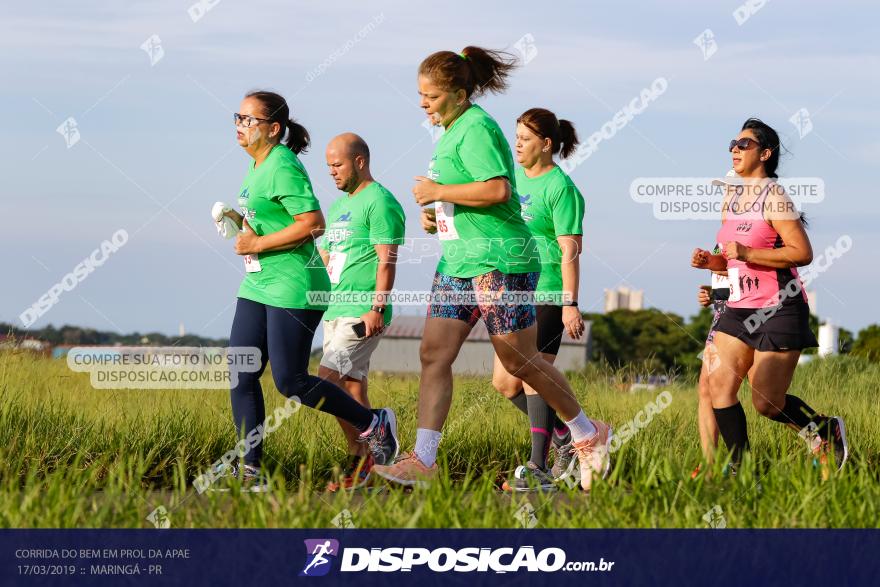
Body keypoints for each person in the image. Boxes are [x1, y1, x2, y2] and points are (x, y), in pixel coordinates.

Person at [372, 47, 612, 492]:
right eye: (421, 95)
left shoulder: (476, 127)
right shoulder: (448, 133)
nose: (423, 103)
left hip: (501, 259)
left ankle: (585, 431)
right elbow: (466, 195)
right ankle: (424, 460)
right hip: (459, 261)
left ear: (460, 95)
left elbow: (499, 189)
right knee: (433, 354)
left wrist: (440, 189)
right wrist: (437, 210)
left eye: (431, 96)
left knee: (518, 362)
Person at [210, 91, 398, 491]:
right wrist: (239, 225)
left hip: (294, 285)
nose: (240, 126)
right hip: (258, 282)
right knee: (241, 371)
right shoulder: (257, 166)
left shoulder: (282, 164)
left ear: (273, 129)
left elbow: (312, 222)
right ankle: (251, 471)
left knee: (291, 381)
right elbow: (273, 220)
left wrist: (257, 244)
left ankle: (372, 423)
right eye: (237, 118)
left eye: (248, 119)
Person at [691, 118, 847, 475]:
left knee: (765, 401)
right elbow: (731, 255)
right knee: (719, 385)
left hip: (779, 305)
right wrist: (710, 261)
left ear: (765, 153)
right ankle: (741, 470)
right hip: (738, 307)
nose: (734, 149)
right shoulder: (731, 197)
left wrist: (745, 253)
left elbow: (801, 253)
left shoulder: (775, 198)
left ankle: (824, 430)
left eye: (743, 144)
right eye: (733, 143)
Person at [493, 108, 585, 492]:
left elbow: (571, 249)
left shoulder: (560, 188)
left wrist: (570, 303)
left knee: (532, 378)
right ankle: (566, 436)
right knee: (504, 383)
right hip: (511, 289)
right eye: (515, 137)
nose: (517, 144)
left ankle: (538, 466)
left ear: (546, 145)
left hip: (546, 292)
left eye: (525, 138)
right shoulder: (510, 180)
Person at [317, 133, 406, 491]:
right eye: (328, 167)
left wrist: (377, 307)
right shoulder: (339, 207)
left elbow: (387, 261)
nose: (332, 173)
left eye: (337, 165)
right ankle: (363, 464)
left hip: (361, 311)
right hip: (333, 310)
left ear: (359, 161)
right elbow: (324, 259)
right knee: (352, 389)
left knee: (324, 381)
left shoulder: (381, 202)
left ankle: (379, 425)